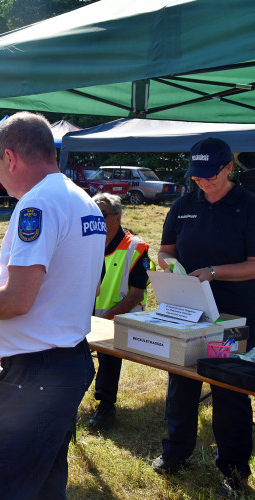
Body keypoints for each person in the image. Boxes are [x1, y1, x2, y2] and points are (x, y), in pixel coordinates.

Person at [0, 112, 104, 499]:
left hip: (36, 376)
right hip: (64, 362)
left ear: (10, 157)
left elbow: (18, 299)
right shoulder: (82, 200)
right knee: (43, 486)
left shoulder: (37, 205)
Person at [154, 137, 255, 498]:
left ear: (229, 167)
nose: (203, 182)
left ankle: (233, 465)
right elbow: (165, 252)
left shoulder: (248, 206)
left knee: (228, 386)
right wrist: (171, 267)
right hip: (188, 312)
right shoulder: (183, 205)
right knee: (181, 380)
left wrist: (213, 271)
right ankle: (174, 452)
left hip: (229, 317)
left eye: (210, 175)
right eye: (196, 176)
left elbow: (253, 266)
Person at [89, 192, 151, 430]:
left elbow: (136, 295)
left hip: (120, 317)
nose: (96, 219)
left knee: (108, 350)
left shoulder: (135, 247)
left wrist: (101, 320)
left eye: (102, 215)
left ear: (117, 217)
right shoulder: (87, 241)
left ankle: (106, 405)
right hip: (91, 315)